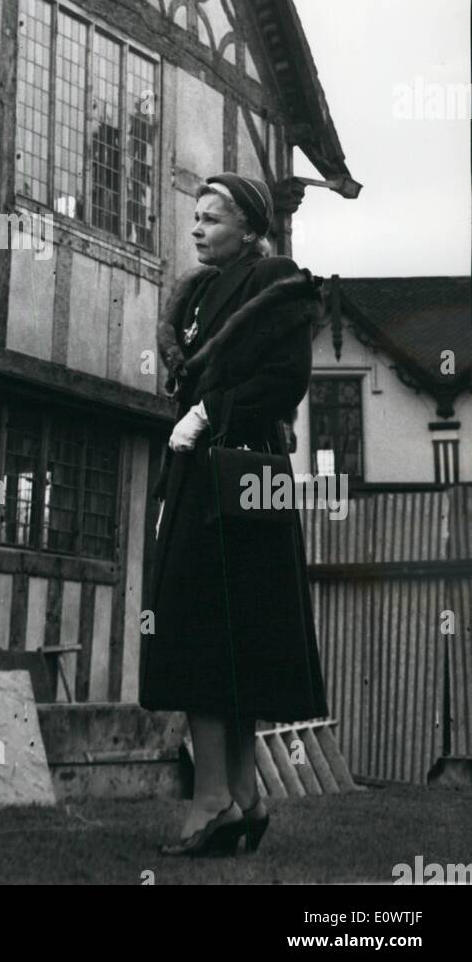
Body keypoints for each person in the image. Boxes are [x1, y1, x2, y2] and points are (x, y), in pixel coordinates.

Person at [140, 172, 327, 857]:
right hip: (207, 471)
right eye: (194, 216)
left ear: (249, 228)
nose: (197, 228)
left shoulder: (273, 278)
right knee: (220, 630)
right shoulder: (193, 296)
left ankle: (214, 798)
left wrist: (207, 414)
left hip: (244, 473)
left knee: (206, 626)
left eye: (214, 219)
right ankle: (243, 797)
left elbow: (285, 380)